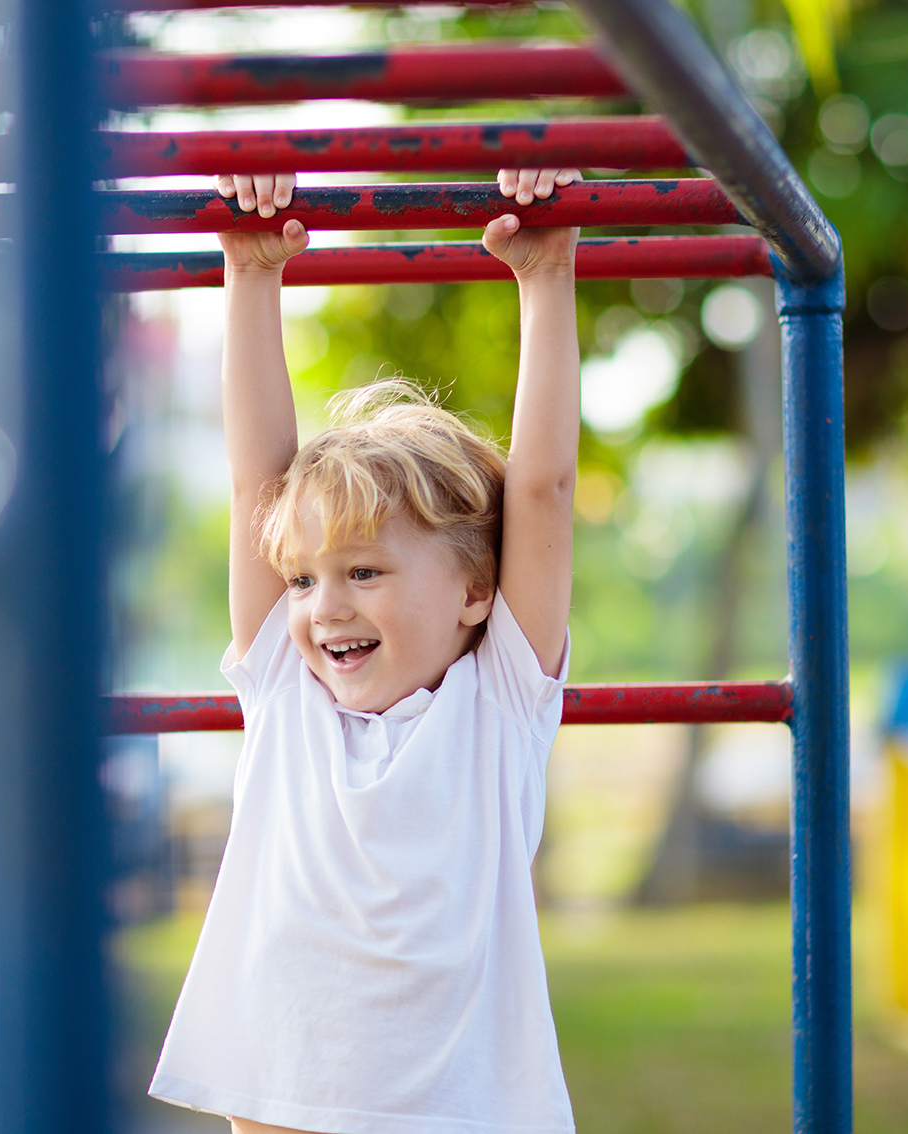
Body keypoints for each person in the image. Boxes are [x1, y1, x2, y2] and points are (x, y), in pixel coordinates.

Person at [149, 166, 584, 1134]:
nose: (323, 608)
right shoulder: (287, 689)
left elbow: (545, 489)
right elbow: (256, 480)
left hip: (457, 1105)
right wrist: (252, 278)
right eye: (306, 579)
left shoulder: (501, 700)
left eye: (367, 573)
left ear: (477, 591)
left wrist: (545, 280)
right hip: (286, 1091)